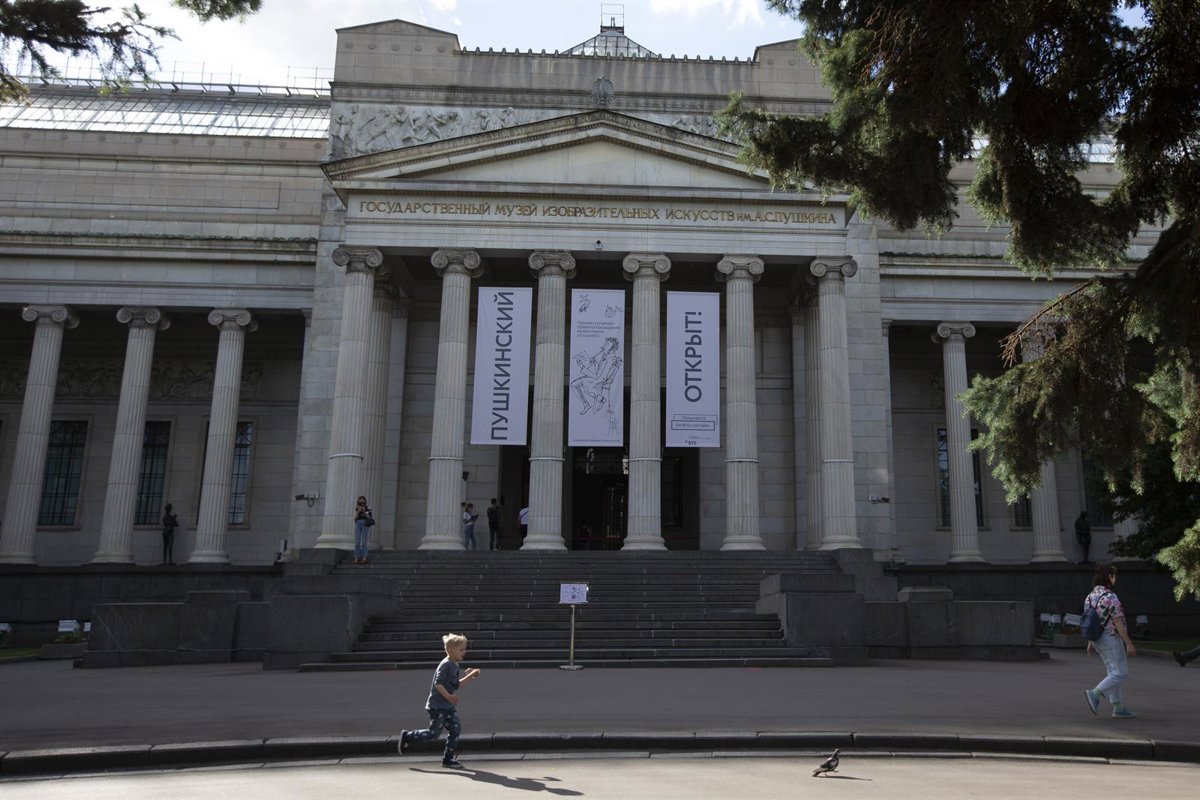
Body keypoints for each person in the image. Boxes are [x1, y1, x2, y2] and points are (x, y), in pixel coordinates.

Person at [398, 633, 481, 768]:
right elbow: (438, 684)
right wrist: (449, 697)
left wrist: (471, 676)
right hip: (437, 706)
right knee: (433, 734)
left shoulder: (454, 665)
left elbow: (456, 685)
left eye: (464, 649)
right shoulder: (446, 665)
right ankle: (408, 736)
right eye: (461, 649)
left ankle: (448, 759)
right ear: (451, 650)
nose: (464, 652)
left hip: (447, 706)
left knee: (455, 729)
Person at [1083, 563, 1137, 718]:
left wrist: (1090, 643)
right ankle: (1095, 694)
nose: (1115, 579)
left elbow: (1090, 621)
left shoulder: (1090, 596)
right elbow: (1118, 622)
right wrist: (1129, 644)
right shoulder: (1111, 597)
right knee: (1120, 672)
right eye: (1114, 576)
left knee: (1113, 672)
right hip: (1110, 639)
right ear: (1110, 577)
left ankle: (1118, 707)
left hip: (1097, 639)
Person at [353, 496, 373, 564]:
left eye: (363, 501)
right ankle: (356, 557)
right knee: (357, 541)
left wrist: (364, 511)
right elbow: (355, 519)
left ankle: (364, 557)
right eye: (360, 501)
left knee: (364, 541)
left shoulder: (368, 508)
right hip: (358, 523)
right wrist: (358, 512)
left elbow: (369, 517)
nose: (361, 503)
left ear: (365, 502)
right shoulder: (357, 508)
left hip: (365, 523)